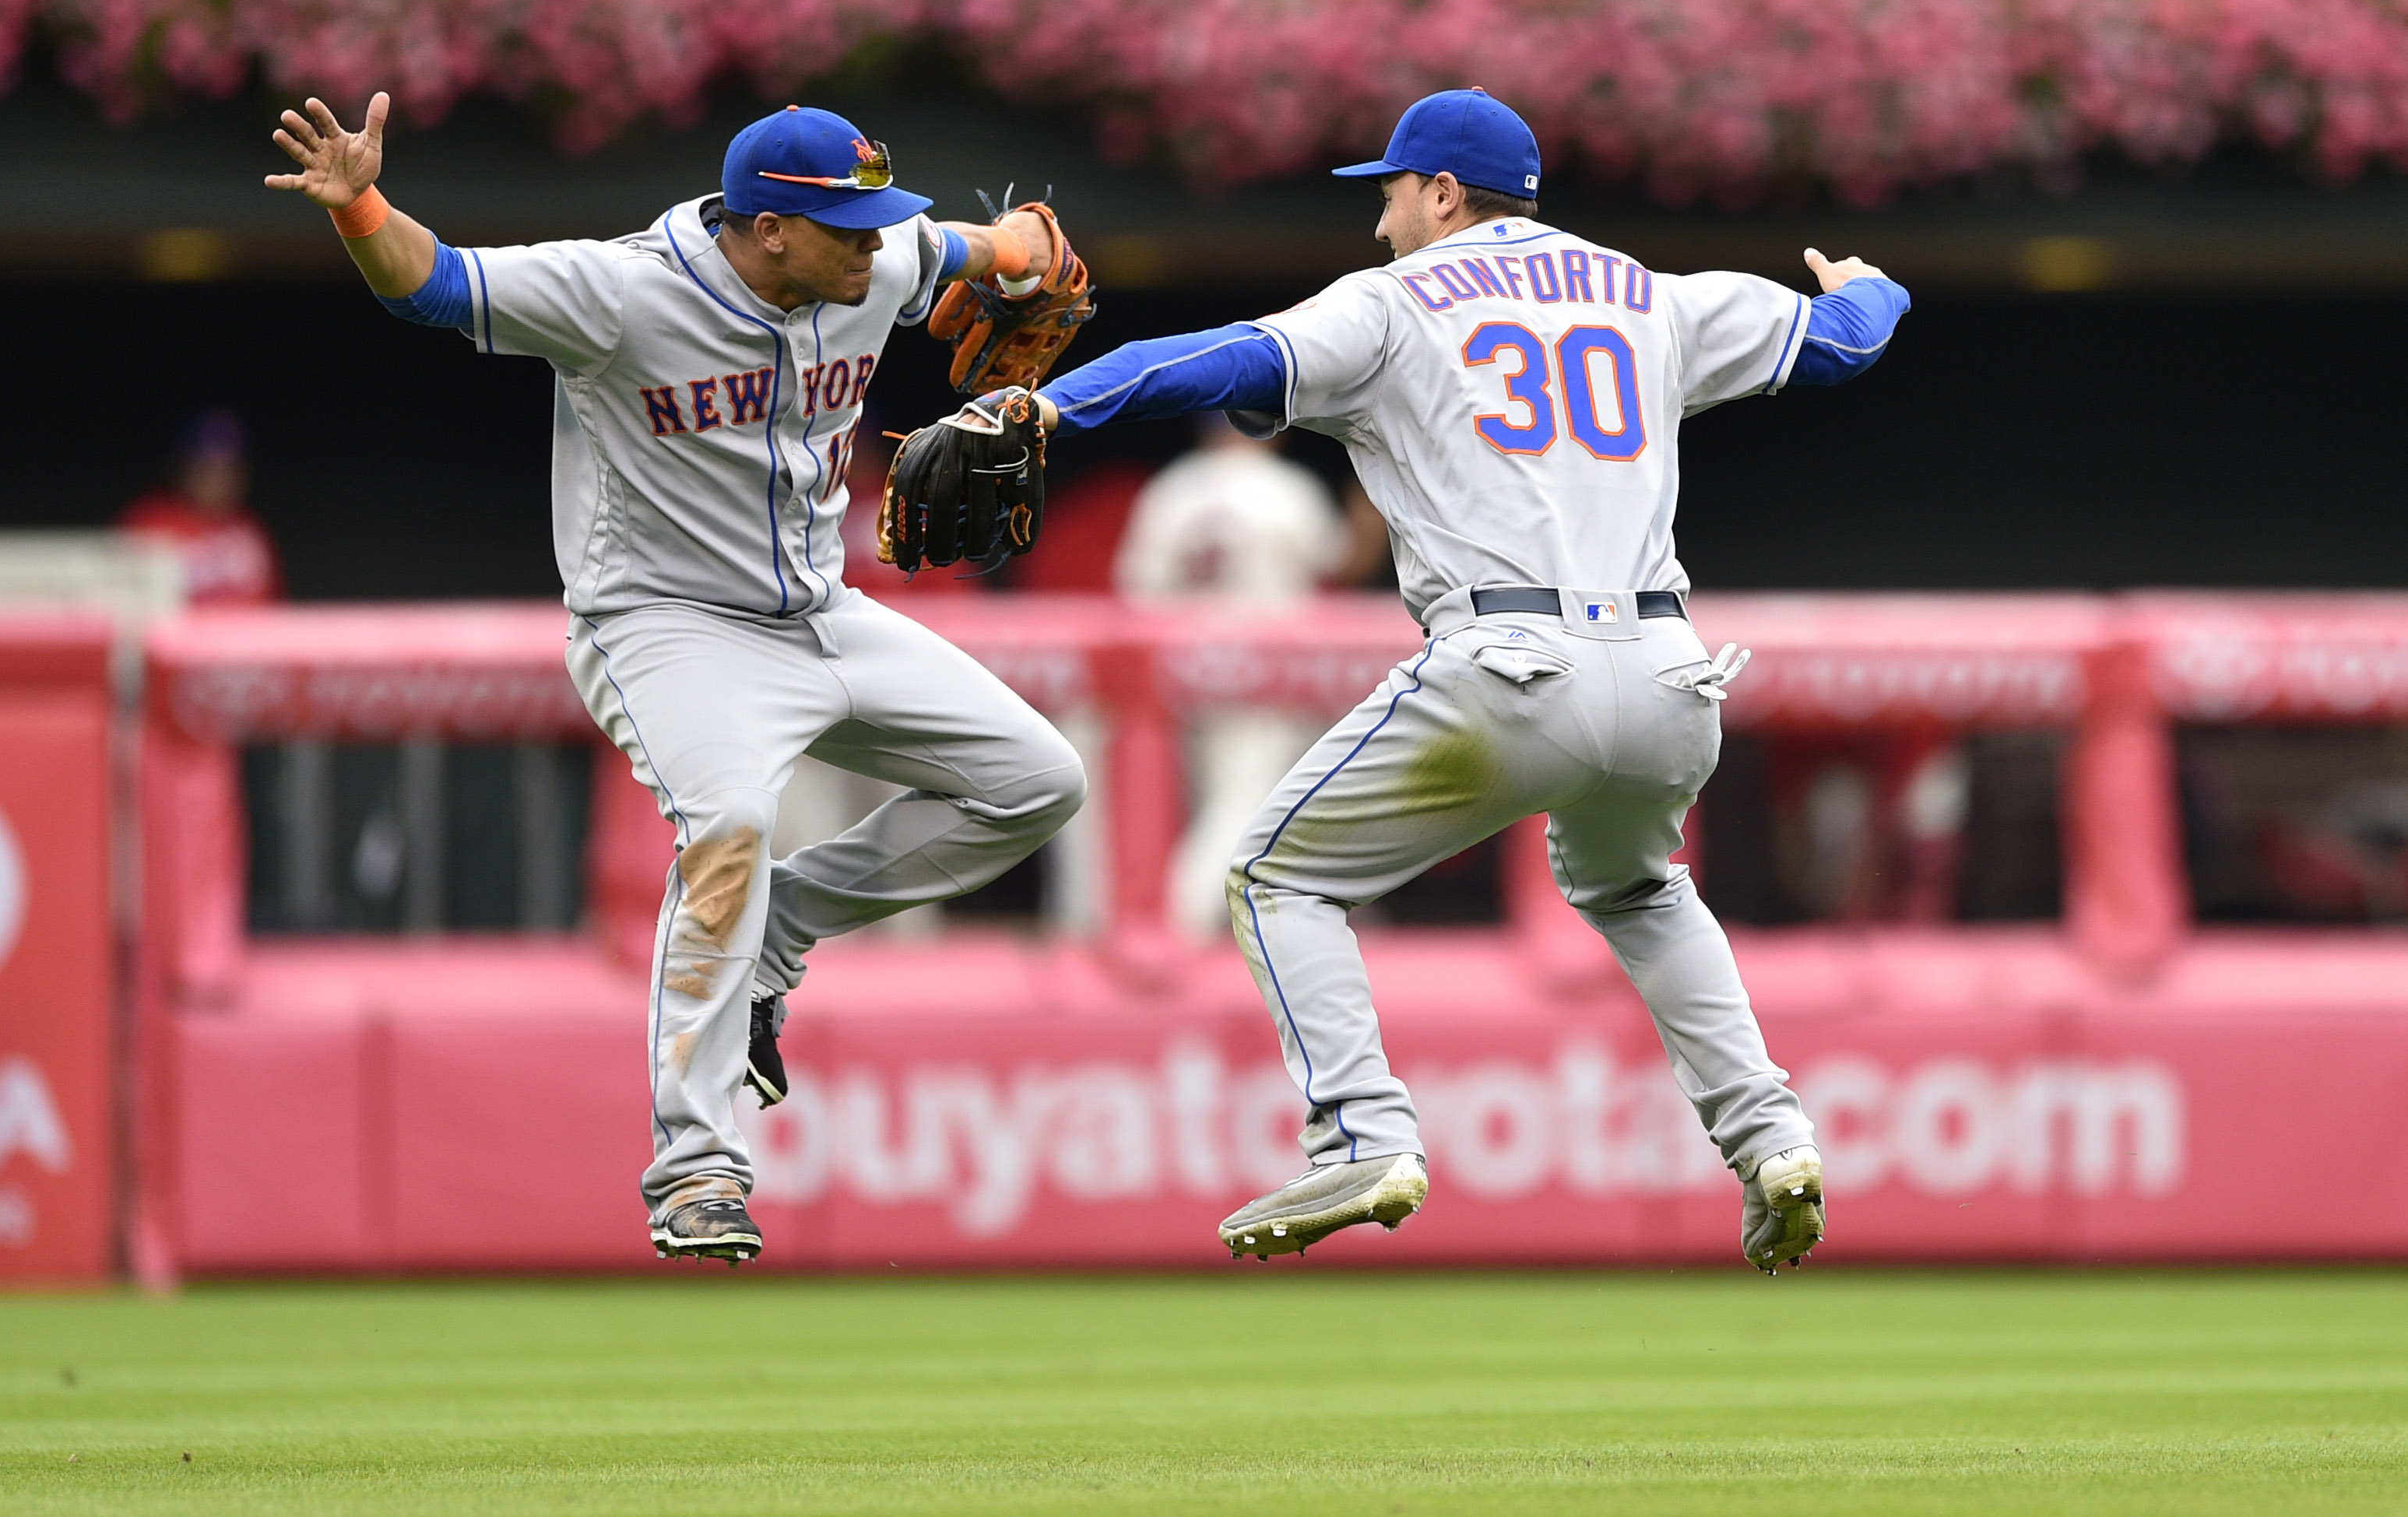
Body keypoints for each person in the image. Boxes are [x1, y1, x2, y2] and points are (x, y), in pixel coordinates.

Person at [1028, 88, 1910, 1270]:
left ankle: (1362, 1129)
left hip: (1507, 667)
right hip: (1668, 675)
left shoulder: (1394, 301)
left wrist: (1040, 405)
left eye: (1389, 194)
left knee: (1272, 873)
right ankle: (1772, 1134)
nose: (1379, 222)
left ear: (1443, 192)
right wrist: (1866, 279)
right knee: (1640, 887)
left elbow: (1210, 363)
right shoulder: (1650, 293)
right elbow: (1850, 337)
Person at [265, 93, 1088, 1265]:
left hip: (821, 612)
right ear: (764, 231)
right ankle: (697, 1162)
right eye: (846, 226)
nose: (875, 242)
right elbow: (434, 285)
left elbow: (970, 247)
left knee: (1038, 779)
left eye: (876, 221)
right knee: (732, 827)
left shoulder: (872, 258)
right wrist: (358, 203)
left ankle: (780, 935)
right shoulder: (622, 292)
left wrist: (1021, 250)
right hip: (666, 627)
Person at [1115, 418, 1353, 937]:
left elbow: (1137, 591)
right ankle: (1174, 927)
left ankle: (1194, 931)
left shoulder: (1171, 489)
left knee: (1212, 805)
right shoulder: (1288, 488)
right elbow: (1337, 560)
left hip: (1183, 671)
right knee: (1240, 809)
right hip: (1263, 672)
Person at [118, 411, 286, 606]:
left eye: (228, 468)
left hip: (245, 635)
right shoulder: (148, 521)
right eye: (207, 467)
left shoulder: (251, 529)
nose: (218, 478)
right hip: (179, 636)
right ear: (183, 466)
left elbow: (275, 609)